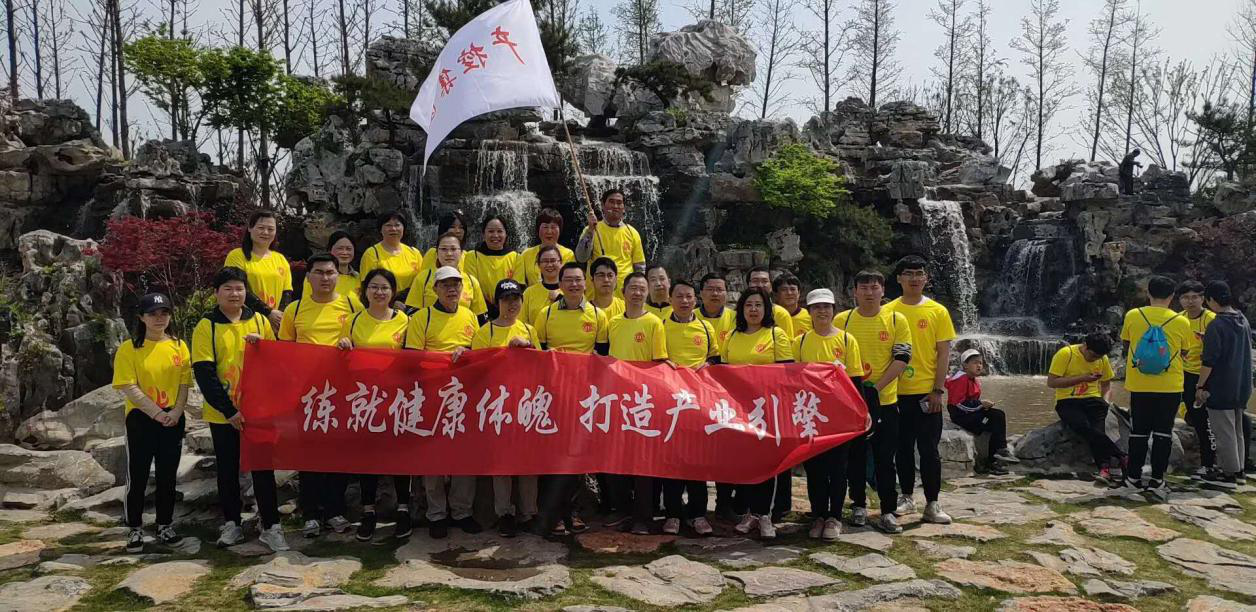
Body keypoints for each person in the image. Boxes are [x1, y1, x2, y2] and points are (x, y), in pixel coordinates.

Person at [193, 267, 288, 552]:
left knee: (263, 468)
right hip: (224, 414)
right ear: (216, 293)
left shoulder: (259, 320)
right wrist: (229, 411)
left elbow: (275, 362)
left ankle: (271, 525)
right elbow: (205, 373)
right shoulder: (207, 326)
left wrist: (262, 347)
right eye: (228, 288)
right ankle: (232, 523)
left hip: (258, 411)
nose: (234, 294)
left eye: (239, 288)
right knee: (228, 468)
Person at [279, 254, 360, 537]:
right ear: (308, 277)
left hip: (342, 391)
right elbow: (284, 351)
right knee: (309, 454)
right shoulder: (295, 309)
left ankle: (336, 510)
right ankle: (311, 513)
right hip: (308, 393)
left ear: (338, 275)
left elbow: (365, 339)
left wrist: (351, 344)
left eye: (330, 272)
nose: (325, 278)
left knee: (339, 453)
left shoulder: (352, 305)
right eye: (319, 272)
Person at [404, 266, 483, 539]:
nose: (452, 289)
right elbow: (411, 359)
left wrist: (467, 351)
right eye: (446, 285)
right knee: (433, 456)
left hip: (464, 396)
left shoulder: (470, 316)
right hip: (432, 396)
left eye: (456, 284)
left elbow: (480, 351)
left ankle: (462, 511)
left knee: (464, 455)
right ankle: (436, 514)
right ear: (435, 289)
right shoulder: (421, 318)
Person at [336, 269, 414, 542]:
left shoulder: (404, 320)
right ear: (365, 291)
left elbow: (414, 356)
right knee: (367, 456)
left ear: (393, 292)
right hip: (365, 399)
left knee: (399, 456)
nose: (379, 292)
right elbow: (342, 355)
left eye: (385, 288)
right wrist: (344, 343)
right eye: (374, 287)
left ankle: (403, 509)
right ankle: (368, 511)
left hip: (396, 398)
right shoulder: (354, 320)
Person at [113, 292, 191, 552]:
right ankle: (134, 527)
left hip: (173, 418)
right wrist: (156, 413)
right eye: (153, 314)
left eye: (164, 313)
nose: (159, 318)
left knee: (168, 475)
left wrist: (176, 412)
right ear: (141, 317)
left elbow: (184, 383)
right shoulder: (129, 348)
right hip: (141, 418)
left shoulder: (179, 345)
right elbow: (128, 386)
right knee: (138, 475)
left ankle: (165, 524)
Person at [534, 262, 608, 535]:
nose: (574, 285)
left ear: (585, 283)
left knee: (577, 457)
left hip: (584, 397)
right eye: (569, 280)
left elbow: (603, 355)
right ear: (561, 284)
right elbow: (539, 354)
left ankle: (574, 511)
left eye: (578, 280)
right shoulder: (546, 314)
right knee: (552, 455)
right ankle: (552, 514)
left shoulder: (598, 315)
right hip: (554, 395)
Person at [837, 270, 912, 534]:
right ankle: (858, 504)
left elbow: (902, 359)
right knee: (855, 457)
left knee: (885, 458)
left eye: (874, 287)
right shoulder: (842, 320)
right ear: (855, 292)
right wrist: (854, 393)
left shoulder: (896, 319)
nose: (869, 293)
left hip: (886, 401)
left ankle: (888, 510)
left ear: (883, 290)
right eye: (864, 288)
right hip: (851, 403)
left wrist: (875, 390)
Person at [469, 279, 541, 537]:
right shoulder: (484, 333)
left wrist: (528, 348)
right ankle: (505, 514)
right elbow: (477, 369)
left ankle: (529, 512)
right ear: (497, 303)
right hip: (497, 405)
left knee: (527, 462)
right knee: (501, 463)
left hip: (525, 403)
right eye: (506, 300)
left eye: (516, 299)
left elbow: (539, 366)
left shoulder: (529, 330)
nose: (512, 304)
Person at [720, 287, 794, 540]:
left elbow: (786, 374)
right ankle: (749, 512)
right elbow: (723, 372)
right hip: (739, 410)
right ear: (741, 309)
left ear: (767, 309)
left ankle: (765, 515)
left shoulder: (775, 334)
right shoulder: (732, 336)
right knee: (745, 463)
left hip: (768, 410)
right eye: (749, 305)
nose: (753, 310)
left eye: (758, 305)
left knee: (767, 463)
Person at [885, 255, 953, 525]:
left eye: (919, 273)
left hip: (927, 393)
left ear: (926, 278)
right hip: (895, 393)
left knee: (929, 450)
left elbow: (944, 353)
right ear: (899, 278)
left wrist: (938, 390)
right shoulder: (888, 311)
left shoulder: (938, 311)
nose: (914, 278)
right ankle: (906, 497)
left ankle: (933, 503)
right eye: (909, 273)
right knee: (901, 448)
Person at [795, 288, 865, 542]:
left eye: (826, 307)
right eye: (816, 307)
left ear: (834, 310)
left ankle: (834, 516)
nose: (822, 311)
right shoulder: (800, 342)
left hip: (839, 415)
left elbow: (856, 380)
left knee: (838, 467)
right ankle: (818, 515)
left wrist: (861, 411)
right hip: (811, 413)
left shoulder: (847, 340)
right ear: (809, 312)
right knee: (814, 468)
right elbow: (793, 380)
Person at [607, 272, 669, 535]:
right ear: (623, 292)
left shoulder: (654, 322)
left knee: (643, 461)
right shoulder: (613, 322)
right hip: (616, 400)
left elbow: (659, 362)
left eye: (642, 288)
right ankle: (623, 512)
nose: (637, 293)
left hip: (643, 400)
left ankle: (644, 516)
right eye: (633, 288)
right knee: (618, 459)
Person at [1119, 275, 1191, 500]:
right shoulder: (1182, 321)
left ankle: (1133, 478)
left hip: (1139, 384)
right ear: (1172, 296)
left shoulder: (1133, 315)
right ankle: (1157, 480)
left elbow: (1126, 344)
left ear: (1148, 293)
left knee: (1138, 432)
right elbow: (1185, 351)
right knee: (1163, 433)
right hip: (1170, 386)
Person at [660, 280, 718, 536]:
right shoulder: (660, 326)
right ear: (670, 299)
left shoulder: (705, 327)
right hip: (669, 403)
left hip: (698, 404)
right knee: (671, 460)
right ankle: (673, 513)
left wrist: (707, 365)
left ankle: (698, 514)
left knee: (697, 460)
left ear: (696, 300)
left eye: (689, 297)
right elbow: (655, 357)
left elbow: (715, 358)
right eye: (679, 296)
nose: (684, 301)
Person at [1196, 281, 1254, 490]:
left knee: (1223, 432)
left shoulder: (1216, 324)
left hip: (1220, 386)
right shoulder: (1242, 319)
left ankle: (1228, 473)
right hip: (1241, 385)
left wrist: (1200, 386)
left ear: (1211, 300)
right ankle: (1239, 471)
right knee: (1236, 429)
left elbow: (1209, 361)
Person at [1047, 332, 1124, 483]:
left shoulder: (1102, 359)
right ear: (1085, 346)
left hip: (1093, 399)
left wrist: (1105, 402)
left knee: (1098, 429)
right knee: (1082, 426)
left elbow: (1106, 385)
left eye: (1098, 357)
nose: (1095, 359)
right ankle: (1121, 455)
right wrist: (1082, 378)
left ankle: (1104, 469)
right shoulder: (1066, 354)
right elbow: (1052, 382)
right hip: (1068, 400)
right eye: (1093, 355)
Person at [945, 349, 1018, 475]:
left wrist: (983, 406)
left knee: (998, 415)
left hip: (970, 413)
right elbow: (958, 404)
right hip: (961, 416)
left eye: (980, 363)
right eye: (975, 363)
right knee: (993, 421)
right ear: (965, 365)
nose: (979, 365)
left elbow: (972, 402)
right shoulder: (961, 379)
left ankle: (999, 452)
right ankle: (993, 459)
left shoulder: (973, 379)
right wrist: (980, 404)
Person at [224, 211, 292, 329]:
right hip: (245, 321)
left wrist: (279, 317)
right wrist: (267, 312)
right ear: (250, 228)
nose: (265, 232)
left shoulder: (280, 259)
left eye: (270, 229)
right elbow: (237, 289)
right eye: (261, 228)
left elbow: (287, 292)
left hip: (274, 325)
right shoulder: (237, 256)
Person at [1179, 280, 1217, 478]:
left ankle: (1209, 464)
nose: (1190, 301)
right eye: (1186, 297)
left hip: (1205, 375)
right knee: (1193, 416)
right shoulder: (1179, 319)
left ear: (1203, 299)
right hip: (1184, 373)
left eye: (1195, 297)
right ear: (1179, 300)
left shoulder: (1211, 319)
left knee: (1204, 421)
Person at [575, 189, 646, 292]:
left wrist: (639, 290)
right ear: (603, 205)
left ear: (624, 208)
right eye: (611, 202)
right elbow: (581, 257)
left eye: (619, 203)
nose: (615, 206)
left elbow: (640, 267)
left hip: (625, 295)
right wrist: (590, 231)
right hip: (596, 295)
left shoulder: (632, 232)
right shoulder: (592, 229)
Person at [406, 232, 488, 318]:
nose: (449, 253)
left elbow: (480, 317)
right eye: (444, 249)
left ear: (461, 252)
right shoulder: (423, 278)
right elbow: (412, 312)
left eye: (453, 249)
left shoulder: (471, 281)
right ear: (437, 253)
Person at [359, 212, 424, 308]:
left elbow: (422, 282)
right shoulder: (372, 254)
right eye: (388, 225)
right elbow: (367, 287)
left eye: (397, 225)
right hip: (384, 305)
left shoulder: (414, 253)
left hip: (413, 305)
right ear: (380, 229)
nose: (393, 229)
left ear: (403, 228)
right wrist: (391, 303)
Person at [463, 215, 520, 315]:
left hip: (509, 311)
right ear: (483, 234)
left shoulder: (516, 257)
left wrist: (503, 306)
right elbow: (472, 286)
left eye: (499, 231)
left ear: (506, 234)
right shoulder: (472, 256)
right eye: (491, 231)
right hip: (480, 311)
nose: (495, 235)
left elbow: (518, 287)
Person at [519, 208, 574, 287]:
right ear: (538, 229)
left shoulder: (568, 254)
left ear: (560, 230)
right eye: (545, 227)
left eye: (553, 227)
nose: (549, 231)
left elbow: (571, 282)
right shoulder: (526, 254)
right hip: (533, 294)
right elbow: (521, 284)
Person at [302, 231, 360, 301]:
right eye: (340, 248)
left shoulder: (358, 277)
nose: (345, 252)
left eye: (348, 249)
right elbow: (307, 302)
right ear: (330, 250)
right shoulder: (316, 276)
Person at [522, 245, 564, 326]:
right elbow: (521, 322)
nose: (549, 265)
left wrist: (560, 300)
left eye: (553, 260)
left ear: (561, 263)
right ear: (538, 265)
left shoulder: (572, 289)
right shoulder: (529, 293)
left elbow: (581, 312)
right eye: (545, 261)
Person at [747, 267, 795, 338]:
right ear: (748, 284)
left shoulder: (781, 314)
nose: (760, 285)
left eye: (764, 281)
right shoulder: (740, 312)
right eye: (755, 281)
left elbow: (788, 342)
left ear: (771, 286)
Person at [698, 274, 737, 352]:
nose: (715, 293)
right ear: (701, 293)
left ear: (726, 293)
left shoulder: (736, 318)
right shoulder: (690, 317)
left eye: (719, 289)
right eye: (710, 289)